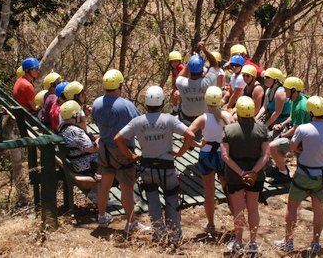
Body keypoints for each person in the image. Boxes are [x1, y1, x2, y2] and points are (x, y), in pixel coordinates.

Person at [115, 86, 187, 244]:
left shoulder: (137, 122)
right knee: (172, 201)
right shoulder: (169, 119)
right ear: (162, 103)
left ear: (146, 104)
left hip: (148, 168)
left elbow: (118, 139)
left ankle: (159, 234)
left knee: (153, 204)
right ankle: (175, 236)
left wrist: (131, 155)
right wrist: (181, 152)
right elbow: (189, 134)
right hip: (167, 168)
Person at [273, 96, 323, 255]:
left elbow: (293, 146)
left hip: (304, 174)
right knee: (318, 209)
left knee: (292, 207)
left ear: (311, 112)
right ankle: (316, 243)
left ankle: (288, 242)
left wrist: (303, 151)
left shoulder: (303, 129)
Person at [92, 69, 147, 233]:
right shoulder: (126, 105)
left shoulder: (96, 103)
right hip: (123, 151)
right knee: (126, 188)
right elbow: (139, 123)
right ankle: (131, 224)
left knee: (105, 184)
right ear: (120, 85)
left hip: (105, 149)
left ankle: (102, 217)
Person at [176, 86, 232, 234]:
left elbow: (186, 135)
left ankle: (211, 224)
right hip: (223, 155)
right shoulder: (228, 117)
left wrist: (198, 144)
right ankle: (236, 222)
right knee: (228, 190)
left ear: (206, 101)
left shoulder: (203, 118)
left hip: (207, 155)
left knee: (209, 192)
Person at [220, 96, 270, 254]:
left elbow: (225, 156)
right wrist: (254, 172)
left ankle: (239, 242)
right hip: (256, 173)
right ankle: (253, 243)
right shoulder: (262, 129)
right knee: (253, 208)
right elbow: (266, 156)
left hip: (235, 175)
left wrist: (241, 173)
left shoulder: (229, 130)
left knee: (239, 209)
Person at [269, 76, 310, 184]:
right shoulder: (294, 100)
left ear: (293, 90)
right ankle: (273, 169)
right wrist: (282, 124)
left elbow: (297, 129)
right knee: (266, 137)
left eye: (286, 89)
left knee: (272, 146)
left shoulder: (301, 106)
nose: (283, 91)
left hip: (300, 139)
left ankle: (283, 173)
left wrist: (282, 136)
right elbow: (292, 117)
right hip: (292, 131)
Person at [175, 42, 222, 136]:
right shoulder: (207, 82)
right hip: (203, 116)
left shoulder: (181, 83)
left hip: (186, 116)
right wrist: (205, 50)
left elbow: (180, 76)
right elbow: (214, 64)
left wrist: (190, 62)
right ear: (202, 70)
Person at [58, 100, 100, 177]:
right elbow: (92, 149)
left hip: (73, 162)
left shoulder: (63, 127)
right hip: (82, 165)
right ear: (76, 115)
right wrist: (100, 139)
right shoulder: (75, 131)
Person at [255, 67, 290, 132]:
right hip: (270, 121)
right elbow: (264, 107)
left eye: (268, 77)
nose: (265, 79)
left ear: (276, 80)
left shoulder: (280, 93)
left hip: (280, 124)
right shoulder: (268, 90)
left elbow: (277, 113)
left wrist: (265, 126)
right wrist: (256, 118)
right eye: (265, 77)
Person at [168, 51, 184, 115]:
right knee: (173, 94)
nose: (173, 63)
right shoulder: (174, 69)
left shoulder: (181, 67)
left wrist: (174, 88)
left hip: (183, 85)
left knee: (178, 95)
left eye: (175, 61)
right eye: (172, 62)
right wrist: (173, 87)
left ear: (179, 61)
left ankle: (181, 109)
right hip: (178, 85)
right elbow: (174, 79)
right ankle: (175, 109)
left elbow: (179, 79)